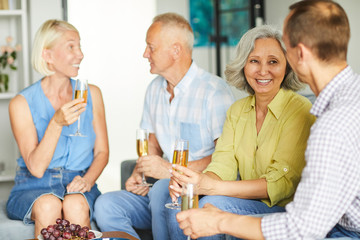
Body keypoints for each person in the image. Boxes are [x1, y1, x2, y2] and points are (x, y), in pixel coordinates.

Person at [176, 0, 360, 239]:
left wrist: (222, 221)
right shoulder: (348, 99)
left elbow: (302, 228)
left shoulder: (331, 125)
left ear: (299, 54)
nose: (264, 68)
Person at [94, 12, 234, 240]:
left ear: (176, 50)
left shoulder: (214, 92)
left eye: (151, 47)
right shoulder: (154, 89)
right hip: (161, 189)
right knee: (107, 204)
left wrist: (170, 171)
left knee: (162, 188)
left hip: (197, 192)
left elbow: (226, 158)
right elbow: (152, 146)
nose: (144, 54)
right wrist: (139, 174)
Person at [167, 24, 316, 240]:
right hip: (244, 203)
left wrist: (212, 187)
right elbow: (223, 164)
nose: (263, 71)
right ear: (243, 65)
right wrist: (197, 182)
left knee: (209, 205)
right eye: (254, 61)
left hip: (284, 213)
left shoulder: (299, 110)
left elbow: (280, 184)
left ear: (288, 67)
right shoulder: (237, 110)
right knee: (180, 206)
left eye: (273, 61)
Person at [6, 19, 109, 237]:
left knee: (75, 204)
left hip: (79, 183)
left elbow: (102, 152)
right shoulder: (21, 103)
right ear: (47, 55)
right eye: (71, 46)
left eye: (79, 46)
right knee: (48, 205)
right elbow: (36, 167)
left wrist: (88, 180)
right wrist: (56, 123)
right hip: (32, 186)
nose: (80, 54)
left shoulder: (93, 94)